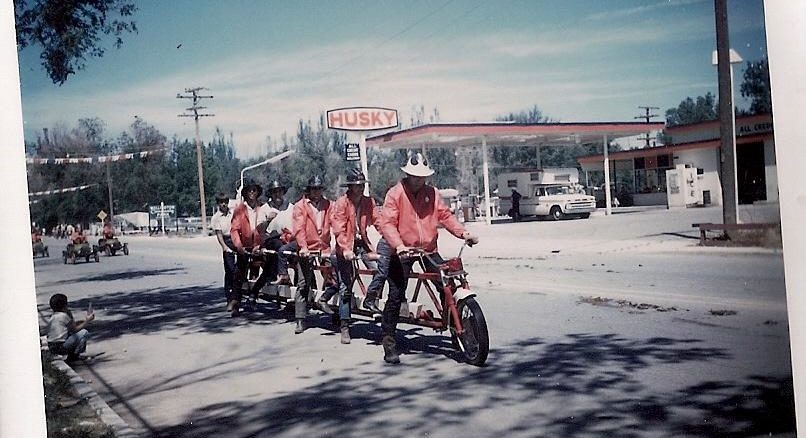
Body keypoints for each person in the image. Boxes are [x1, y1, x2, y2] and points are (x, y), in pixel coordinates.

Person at [379, 153, 479, 364]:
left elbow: (445, 216)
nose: (419, 180)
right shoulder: (395, 194)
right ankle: (388, 341)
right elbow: (387, 223)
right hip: (403, 250)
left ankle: (456, 330)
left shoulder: (432, 193)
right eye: (415, 176)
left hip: (428, 249)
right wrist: (399, 246)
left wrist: (463, 233)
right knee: (396, 295)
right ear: (407, 174)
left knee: (446, 286)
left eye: (422, 177)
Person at [321, 169, 381, 344]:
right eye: (357, 185)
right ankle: (345, 327)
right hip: (344, 246)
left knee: (379, 270)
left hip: (362, 243)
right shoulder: (341, 203)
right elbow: (338, 228)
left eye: (362, 185)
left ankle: (371, 301)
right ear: (350, 187)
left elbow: (378, 221)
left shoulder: (368, 201)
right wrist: (346, 249)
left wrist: (390, 240)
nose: (360, 188)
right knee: (345, 288)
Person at [277, 175, 335, 334]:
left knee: (334, 279)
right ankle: (300, 319)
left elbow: (335, 223)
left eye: (319, 188)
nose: (317, 192)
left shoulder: (328, 204)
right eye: (314, 189)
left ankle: (332, 310)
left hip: (324, 247)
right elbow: (299, 229)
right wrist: (303, 247)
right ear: (308, 190)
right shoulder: (300, 206)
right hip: (306, 248)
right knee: (303, 283)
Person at [229, 180, 274, 316]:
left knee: (270, 269)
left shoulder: (263, 208)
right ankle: (235, 302)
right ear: (245, 193)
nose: (252, 193)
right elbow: (234, 230)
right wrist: (239, 246)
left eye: (254, 190)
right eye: (249, 190)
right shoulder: (239, 210)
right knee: (239, 274)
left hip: (259, 246)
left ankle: (254, 293)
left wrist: (260, 245)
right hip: (245, 247)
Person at [250, 180, 291, 293]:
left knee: (301, 261)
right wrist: (268, 220)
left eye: (279, 191)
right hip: (271, 240)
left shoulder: (289, 207)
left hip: (288, 239)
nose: (277, 194)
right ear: (271, 194)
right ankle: (283, 274)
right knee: (276, 252)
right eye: (274, 192)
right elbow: (260, 230)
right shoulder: (265, 209)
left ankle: (300, 295)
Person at [46, 293, 95, 362]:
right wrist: (87, 321)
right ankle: (74, 357)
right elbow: (74, 329)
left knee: (75, 335)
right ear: (64, 305)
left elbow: (71, 325)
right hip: (60, 346)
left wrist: (70, 314)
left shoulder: (53, 316)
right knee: (84, 333)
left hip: (52, 346)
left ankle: (73, 356)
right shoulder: (63, 316)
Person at [211, 193, 236, 308]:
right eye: (221, 202)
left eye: (225, 202)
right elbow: (219, 235)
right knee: (230, 271)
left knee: (239, 270)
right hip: (226, 242)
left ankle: (238, 296)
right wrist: (225, 248)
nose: (224, 204)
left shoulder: (232, 213)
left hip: (235, 239)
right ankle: (229, 298)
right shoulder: (216, 218)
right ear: (218, 204)